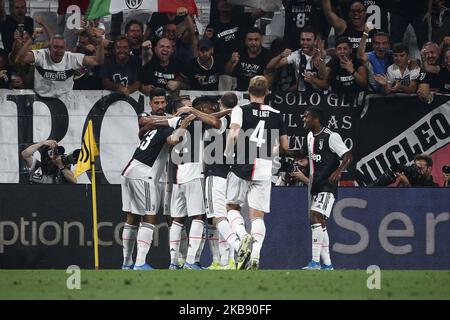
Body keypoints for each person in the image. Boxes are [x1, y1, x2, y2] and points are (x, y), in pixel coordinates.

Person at [224, 76, 290, 270]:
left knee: (232, 207)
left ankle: (243, 237)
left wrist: (228, 153)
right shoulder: (277, 113)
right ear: (267, 92)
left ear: (248, 90)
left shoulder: (239, 110)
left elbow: (234, 133)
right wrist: (271, 151)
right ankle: (255, 255)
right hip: (264, 166)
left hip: (242, 162)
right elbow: (284, 146)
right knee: (258, 216)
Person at [120, 101, 195, 270]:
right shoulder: (167, 128)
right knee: (149, 217)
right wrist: (183, 123)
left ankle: (127, 263)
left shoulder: (155, 126)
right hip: (143, 173)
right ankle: (139, 264)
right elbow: (175, 139)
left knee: (132, 217)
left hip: (129, 170)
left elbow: (142, 132)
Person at [301, 106, 352, 270]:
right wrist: (283, 150)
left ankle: (315, 262)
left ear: (315, 119)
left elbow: (347, 155)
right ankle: (328, 265)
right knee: (320, 224)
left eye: (306, 116)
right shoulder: (309, 136)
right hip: (315, 185)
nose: (303, 119)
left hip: (327, 185)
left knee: (315, 217)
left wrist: (339, 170)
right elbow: (308, 157)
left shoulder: (331, 136)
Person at [202, 92, 239, 270]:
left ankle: (239, 247)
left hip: (216, 173)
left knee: (217, 218)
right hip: (234, 175)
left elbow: (211, 119)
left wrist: (192, 111)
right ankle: (228, 260)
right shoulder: (241, 123)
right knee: (227, 216)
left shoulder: (221, 121)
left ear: (220, 105)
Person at [15, 34, 105, 98]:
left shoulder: (71, 58)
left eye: (61, 48)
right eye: (55, 47)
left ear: (65, 48)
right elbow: (20, 58)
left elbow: (98, 61)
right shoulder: (41, 55)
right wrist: (32, 38)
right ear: (49, 47)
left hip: (65, 101)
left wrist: (100, 43)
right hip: (41, 99)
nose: (58, 51)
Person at [356, 27, 392, 93]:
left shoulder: (393, 56)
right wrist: (365, 33)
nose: (381, 46)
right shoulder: (370, 56)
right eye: (378, 43)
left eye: (384, 43)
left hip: (392, 93)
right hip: (374, 94)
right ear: (373, 45)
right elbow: (360, 56)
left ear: (389, 45)